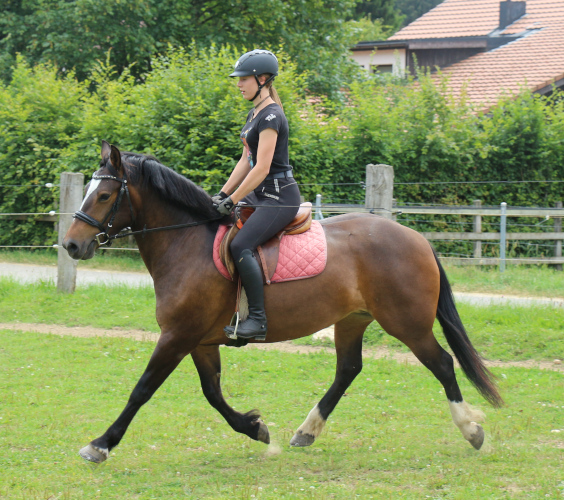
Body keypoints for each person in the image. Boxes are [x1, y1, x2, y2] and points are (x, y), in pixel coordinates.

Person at [213, 49, 301, 340]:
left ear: (262, 80)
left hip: (279, 198)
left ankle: (258, 321)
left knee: (241, 247)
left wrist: (234, 200)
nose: (238, 84)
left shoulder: (272, 115)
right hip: (259, 196)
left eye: (243, 79)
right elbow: (245, 160)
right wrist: (222, 195)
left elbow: (262, 168)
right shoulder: (254, 113)